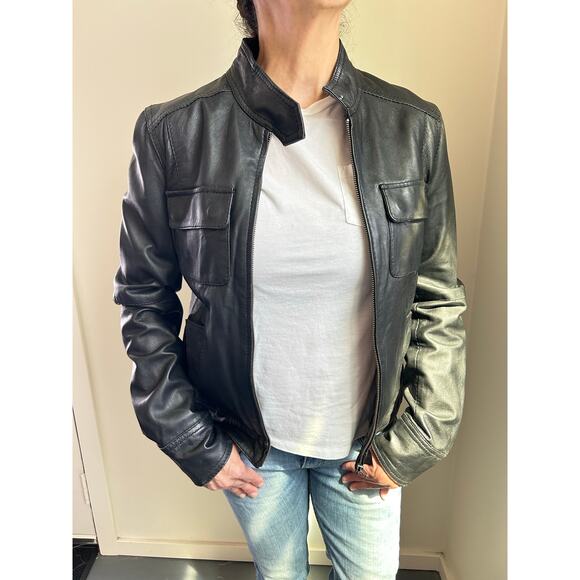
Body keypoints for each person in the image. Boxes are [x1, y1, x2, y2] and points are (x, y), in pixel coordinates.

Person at [113, 1, 467, 578]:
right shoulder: (174, 133)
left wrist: (417, 437)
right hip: (250, 444)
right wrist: (192, 438)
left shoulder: (412, 128)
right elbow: (142, 298)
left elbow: (438, 296)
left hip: (366, 442)